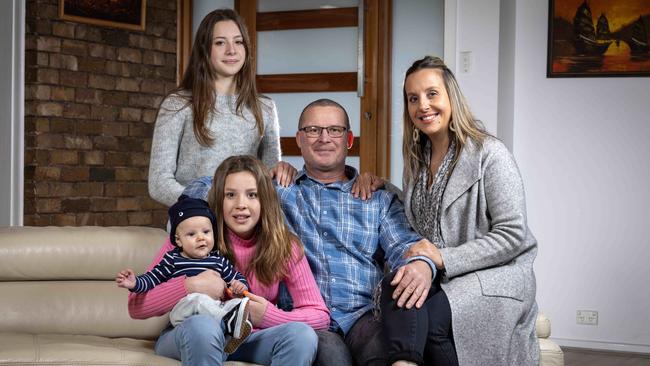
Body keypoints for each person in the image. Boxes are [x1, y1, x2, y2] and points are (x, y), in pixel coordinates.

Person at [183, 98, 437, 366]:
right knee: (330, 358)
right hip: (310, 322)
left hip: (363, 317)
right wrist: (257, 176)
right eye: (313, 130)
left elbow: (405, 248)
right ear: (299, 140)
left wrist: (423, 263)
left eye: (335, 130)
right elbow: (195, 193)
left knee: (383, 355)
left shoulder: (376, 198)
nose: (324, 138)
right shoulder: (277, 191)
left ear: (349, 139)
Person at [359, 55, 539, 365]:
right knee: (397, 286)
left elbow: (512, 236)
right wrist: (382, 185)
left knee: (430, 320)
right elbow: (427, 213)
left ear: (450, 97)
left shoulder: (490, 154)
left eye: (431, 94)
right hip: (447, 277)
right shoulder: (417, 161)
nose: (422, 106)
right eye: (413, 99)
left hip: (495, 275)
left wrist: (443, 257)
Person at [129, 155, 329, 366]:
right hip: (193, 334)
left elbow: (320, 315)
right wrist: (191, 285)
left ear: (265, 201)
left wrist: (268, 315)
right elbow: (136, 306)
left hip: (251, 338)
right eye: (230, 195)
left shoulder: (285, 246)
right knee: (204, 327)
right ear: (218, 199)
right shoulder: (193, 239)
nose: (241, 205)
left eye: (252, 195)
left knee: (301, 336)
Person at [148, 8, 281, 207]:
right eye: (220, 43)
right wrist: (211, 202)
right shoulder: (179, 104)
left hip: (246, 224)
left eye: (238, 42)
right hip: (195, 224)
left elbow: (271, 179)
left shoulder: (265, 108)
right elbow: (159, 183)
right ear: (204, 49)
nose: (232, 50)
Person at [116, 196, 252, 353]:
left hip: (213, 314)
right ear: (178, 240)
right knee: (197, 299)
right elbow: (152, 279)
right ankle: (228, 322)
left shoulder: (219, 261)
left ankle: (230, 332)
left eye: (206, 232)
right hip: (184, 315)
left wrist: (239, 285)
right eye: (191, 234)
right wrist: (135, 283)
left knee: (237, 304)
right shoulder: (173, 259)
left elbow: (236, 278)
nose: (201, 237)